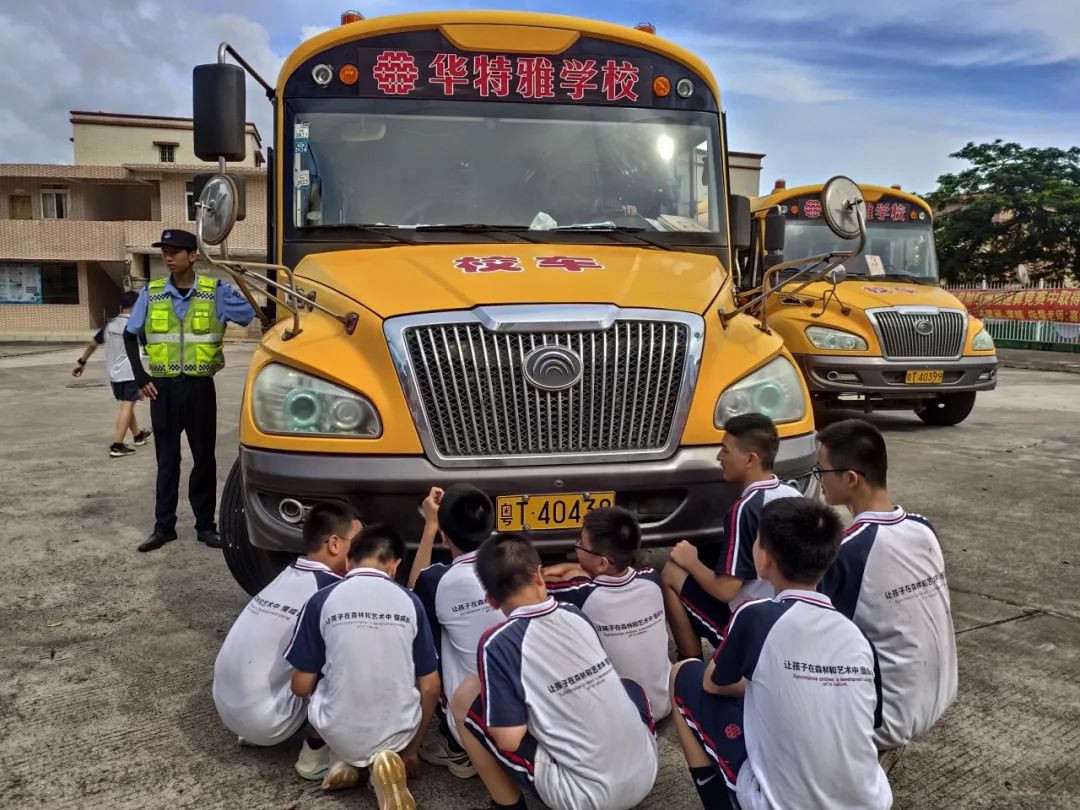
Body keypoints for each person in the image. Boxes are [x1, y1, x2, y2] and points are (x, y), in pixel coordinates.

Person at [670, 497, 892, 810]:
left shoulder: (756, 617)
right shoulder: (858, 637)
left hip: (781, 803)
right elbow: (869, 719)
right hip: (871, 801)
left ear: (764, 560)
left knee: (684, 674)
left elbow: (713, 684)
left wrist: (773, 683)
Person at [450, 535, 658, 810]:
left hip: (587, 799)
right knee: (626, 685)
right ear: (539, 575)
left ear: (491, 600)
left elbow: (509, 740)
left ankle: (507, 805)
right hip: (647, 771)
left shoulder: (497, 642)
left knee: (465, 697)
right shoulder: (574, 612)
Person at [816, 418, 957, 765]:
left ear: (850, 479)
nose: (818, 480)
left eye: (822, 471)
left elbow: (813, 634)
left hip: (888, 718)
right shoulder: (922, 528)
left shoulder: (847, 552)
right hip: (940, 693)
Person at [124, 228, 256, 552]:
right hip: (163, 390)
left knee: (203, 459)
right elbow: (130, 334)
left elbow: (251, 313)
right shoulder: (152, 293)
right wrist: (141, 377)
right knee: (166, 460)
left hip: (200, 389)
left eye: (175, 251)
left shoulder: (215, 292)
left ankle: (206, 526)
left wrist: (234, 284)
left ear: (193, 256)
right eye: (164, 251)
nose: (168, 257)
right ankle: (163, 527)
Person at [286, 523, 439, 802]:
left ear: (347, 561)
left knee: (325, 678)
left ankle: (344, 757)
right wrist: (412, 750)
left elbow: (300, 685)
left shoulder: (321, 600)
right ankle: (383, 761)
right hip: (399, 731)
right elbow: (430, 687)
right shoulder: (411, 602)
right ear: (395, 567)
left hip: (336, 726)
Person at [212, 502, 359, 781]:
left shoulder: (288, 574)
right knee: (357, 652)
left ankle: (258, 726)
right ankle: (315, 753)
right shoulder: (333, 592)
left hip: (229, 710)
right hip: (267, 722)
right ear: (335, 544)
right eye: (359, 541)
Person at [661, 413, 803, 659]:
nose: (719, 457)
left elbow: (726, 591)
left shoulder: (745, 509)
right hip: (790, 620)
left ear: (750, 459)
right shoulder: (793, 495)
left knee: (672, 571)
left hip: (750, 628)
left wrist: (690, 561)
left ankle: (689, 663)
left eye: (725, 451)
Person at [544, 506, 673, 720]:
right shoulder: (651, 578)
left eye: (580, 543)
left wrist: (574, 570)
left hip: (621, 715)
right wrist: (582, 569)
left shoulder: (578, 592)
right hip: (662, 705)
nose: (576, 547)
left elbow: (534, 581)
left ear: (602, 563)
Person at [409, 484, 502, 779]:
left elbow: (412, 592)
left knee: (425, 627)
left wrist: (430, 525)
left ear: (445, 536)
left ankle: (456, 746)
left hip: (472, 724)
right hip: (528, 718)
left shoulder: (437, 581)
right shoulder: (513, 565)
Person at [72, 290, 152, 457]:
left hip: (113, 374)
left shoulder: (109, 324)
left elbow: (94, 344)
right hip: (130, 373)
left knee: (126, 404)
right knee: (127, 405)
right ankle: (117, 444)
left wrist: (82, 362)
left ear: (120, 306)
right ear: (137, 307)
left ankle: (137, 435)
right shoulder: (137, 325)